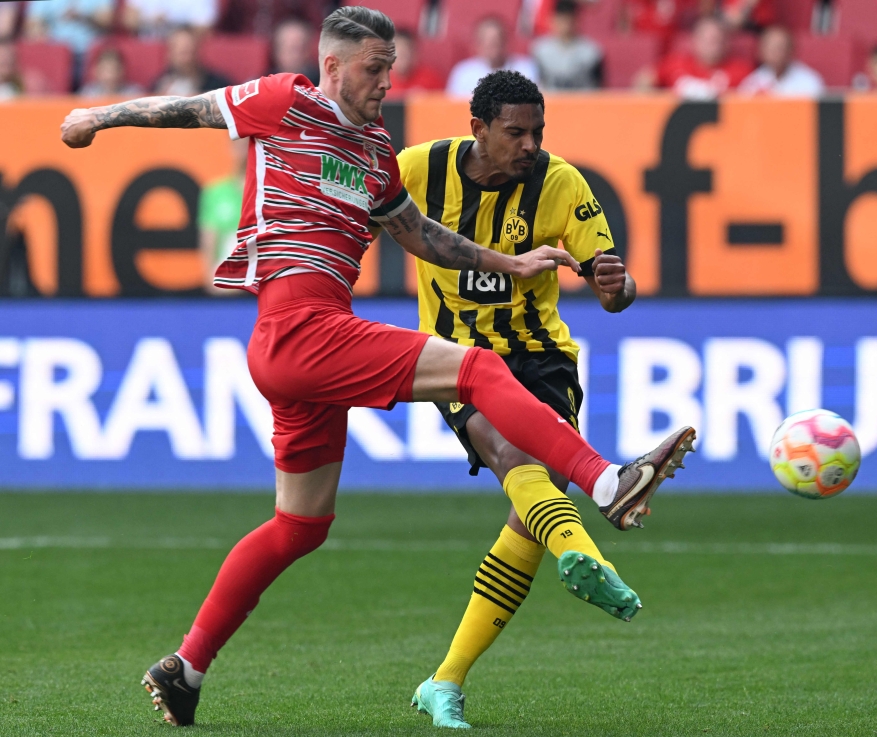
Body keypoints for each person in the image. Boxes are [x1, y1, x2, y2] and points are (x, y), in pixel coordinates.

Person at [60, 6, 685, 728]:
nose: (387, 81)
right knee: (477, 369)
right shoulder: (285, 99)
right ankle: (606, 480)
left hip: (305, 343)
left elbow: (418, 235)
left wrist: (509, 264)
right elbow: (191, 108)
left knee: (300, 524)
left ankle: (186, 668)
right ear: (332, 65)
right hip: (298, 326)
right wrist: (97, 116)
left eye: (391, 68)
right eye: (374, 68)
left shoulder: (375, 151)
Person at [399, 69, 697, 729]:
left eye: (538, 131)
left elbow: (615, 290)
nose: (530, 144)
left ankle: (444, 680)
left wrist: (616, 286)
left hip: (540, 358)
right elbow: (358, 216)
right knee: (513, 455)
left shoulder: (561, 183)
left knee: (529, 508)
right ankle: (584, 547)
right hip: (457, 357)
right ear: (477, 129)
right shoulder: (419, 168)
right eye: (516, 132)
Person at [644, 16, 753, 97]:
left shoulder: (741, 71)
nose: (712, 45)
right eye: (707, 40)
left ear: (726, 42)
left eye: (717, 39)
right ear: (695, 41)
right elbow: (645, 79)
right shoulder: (676, 63)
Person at [198, 138, 248, 294]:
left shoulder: (271, 192)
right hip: (226, 287)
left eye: (249, 145)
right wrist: (210, 278)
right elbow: (208, 240)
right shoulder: (215, 193)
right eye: (239, 144)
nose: (244, 151)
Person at [446, 17, 539, 97]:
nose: (493, 47)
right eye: (488, 42)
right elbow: (451, 106)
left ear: (506, 41)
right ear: (477, 45)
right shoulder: (463, 73)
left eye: (496, 41)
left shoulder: (525, 69)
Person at [531, 0, 604, 90]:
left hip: (581, 97)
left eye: (568, 20)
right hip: (551, 98)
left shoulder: (591, 52)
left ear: (576, 20)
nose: (565, 25)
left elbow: (598, 87)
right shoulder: (540, 50)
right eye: (561, 20)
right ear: (552, 20)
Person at [738, 25, 824, 97]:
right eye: (771, 48)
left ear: (791, 50)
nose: (775, 53)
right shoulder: (752, 83)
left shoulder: (809, 81)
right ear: (761, 51)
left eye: (780, 47)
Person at [154, 26, 230, 96]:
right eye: (180, 52)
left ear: (197, 50)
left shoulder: (218, 86)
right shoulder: (160, 85)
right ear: (169, 53)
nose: (185, 59)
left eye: (188, 50)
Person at [385, 29, 444, 99]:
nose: (401, 58)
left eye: (405, 53)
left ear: (414, 53)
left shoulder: (431, 79)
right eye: (397, 52)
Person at [123, 0, 218, 37]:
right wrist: (150, 20)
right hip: (147, 45)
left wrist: (172, 25)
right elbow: (128, 21)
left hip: (184, 50)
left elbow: (205, 27)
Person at [269, 17, 320, 85]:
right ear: (277, 52)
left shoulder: (321, 85)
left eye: (299, 48)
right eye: (290, 49)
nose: (295, 56)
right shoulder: (264, 84)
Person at [79, 47, 145, 97]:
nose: (110, 76)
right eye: (105, 70)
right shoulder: (87, 94)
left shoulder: (135, 94)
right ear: (96, 71)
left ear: (122, 71)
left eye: (115, 70)